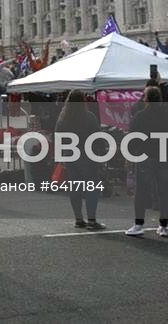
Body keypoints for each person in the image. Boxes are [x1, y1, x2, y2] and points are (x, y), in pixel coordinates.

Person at [124, 86, 168, 238]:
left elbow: (132, 137)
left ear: (146, 98)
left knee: (141, 191)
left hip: (146, 155)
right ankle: (163, 226)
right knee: (164, 191)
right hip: (164, 154)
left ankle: (139, 224)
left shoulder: (140, 116)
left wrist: (130, 157)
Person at [54, 90, 105, 230]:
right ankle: (92, 220)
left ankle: (78, 218)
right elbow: (97, 137)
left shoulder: (63, 118)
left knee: (75, 188)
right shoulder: (89, 117)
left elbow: (57, 138)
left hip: (70, 155)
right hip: (87, 155)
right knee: (91, 188)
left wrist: (61, 156)